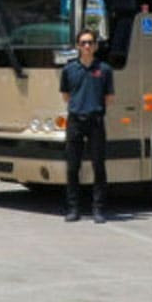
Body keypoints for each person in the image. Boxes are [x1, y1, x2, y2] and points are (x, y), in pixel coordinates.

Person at [60, 29, 115, 223]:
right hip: (75, 121)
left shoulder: (104, 70)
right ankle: (73, 209)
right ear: (77, 46)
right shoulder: (69, 70)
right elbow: (66, 95)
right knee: (72, 167)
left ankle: (98, 209)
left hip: (95, 121)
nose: (87, 46)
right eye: (83, 43)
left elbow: (109, 97)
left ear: (96, 46)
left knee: (98, 165)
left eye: (90, 42)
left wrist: (94, 108)